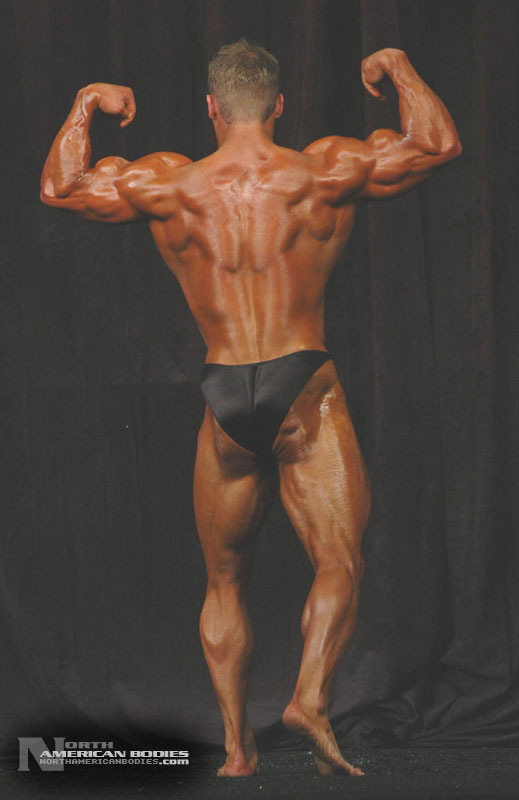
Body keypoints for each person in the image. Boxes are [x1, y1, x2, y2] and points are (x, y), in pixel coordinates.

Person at [41, 39, 461, 777]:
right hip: (304, 388)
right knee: (338, 561)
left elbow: (62, 187)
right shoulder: (322, 170)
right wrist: (396, 65)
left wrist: (84, 105)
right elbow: (435, 144)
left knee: (223, 581)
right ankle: (308, 698)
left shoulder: (172, 183)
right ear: (278, 105)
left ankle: (238, 752)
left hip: (224, 394)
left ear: (210, 107)